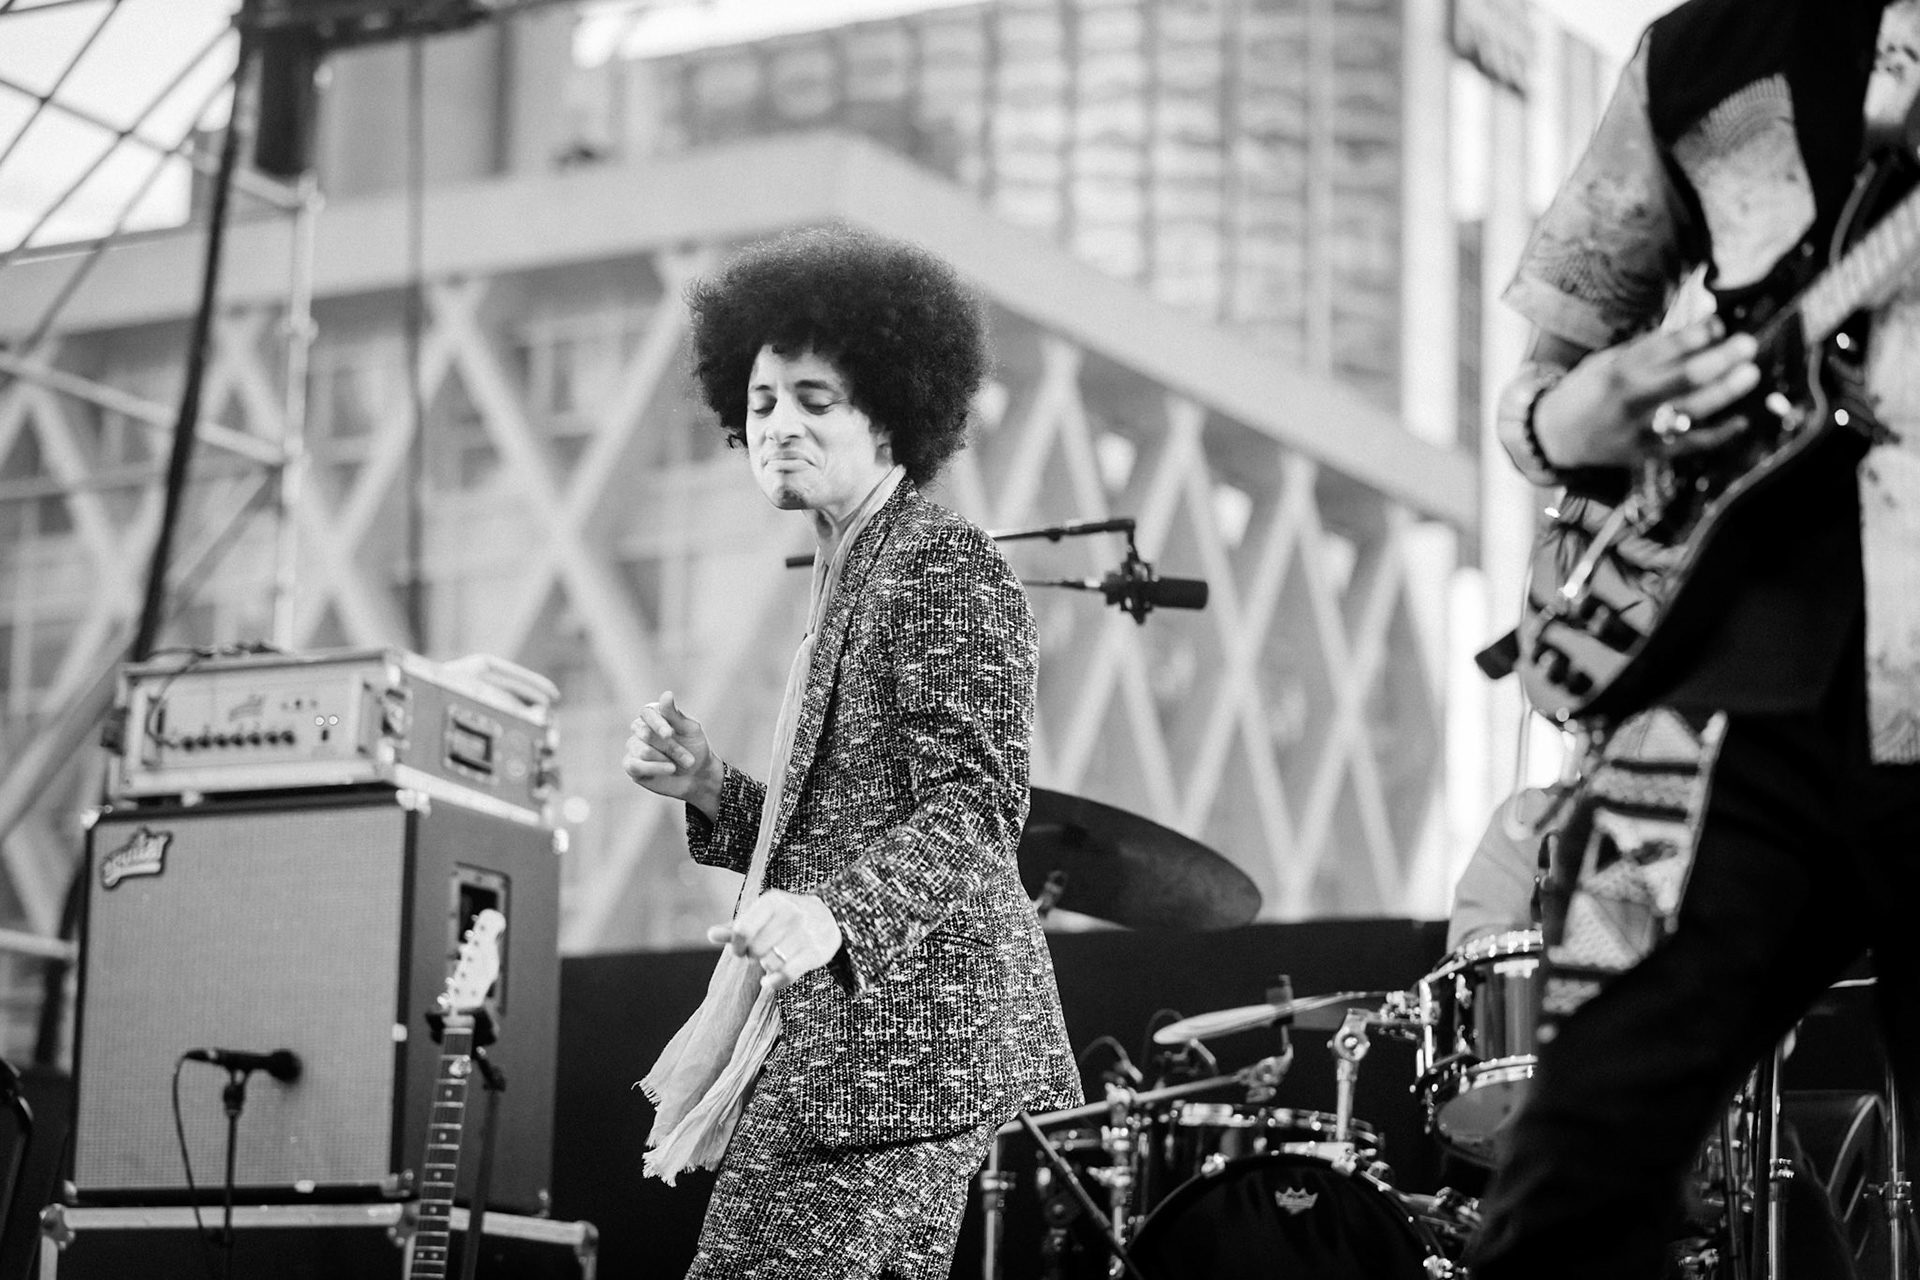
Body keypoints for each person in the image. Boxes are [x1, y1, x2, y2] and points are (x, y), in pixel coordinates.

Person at [1465, 2, 1920, 1277]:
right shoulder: (1694, 50)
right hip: (1691, 728)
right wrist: (1564, 417)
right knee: (1567, 1160)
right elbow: (1539, 385)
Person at [621, 225, 1081, 1279]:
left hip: (921, 1062)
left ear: (892, 412)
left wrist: (834, 914)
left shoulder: (939, 562)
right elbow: (835, 823)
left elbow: (973, 811)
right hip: (850, 1054)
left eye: (814, 401)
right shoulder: (849, 576)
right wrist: (708, 785)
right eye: (762, 401)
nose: (777, 424)